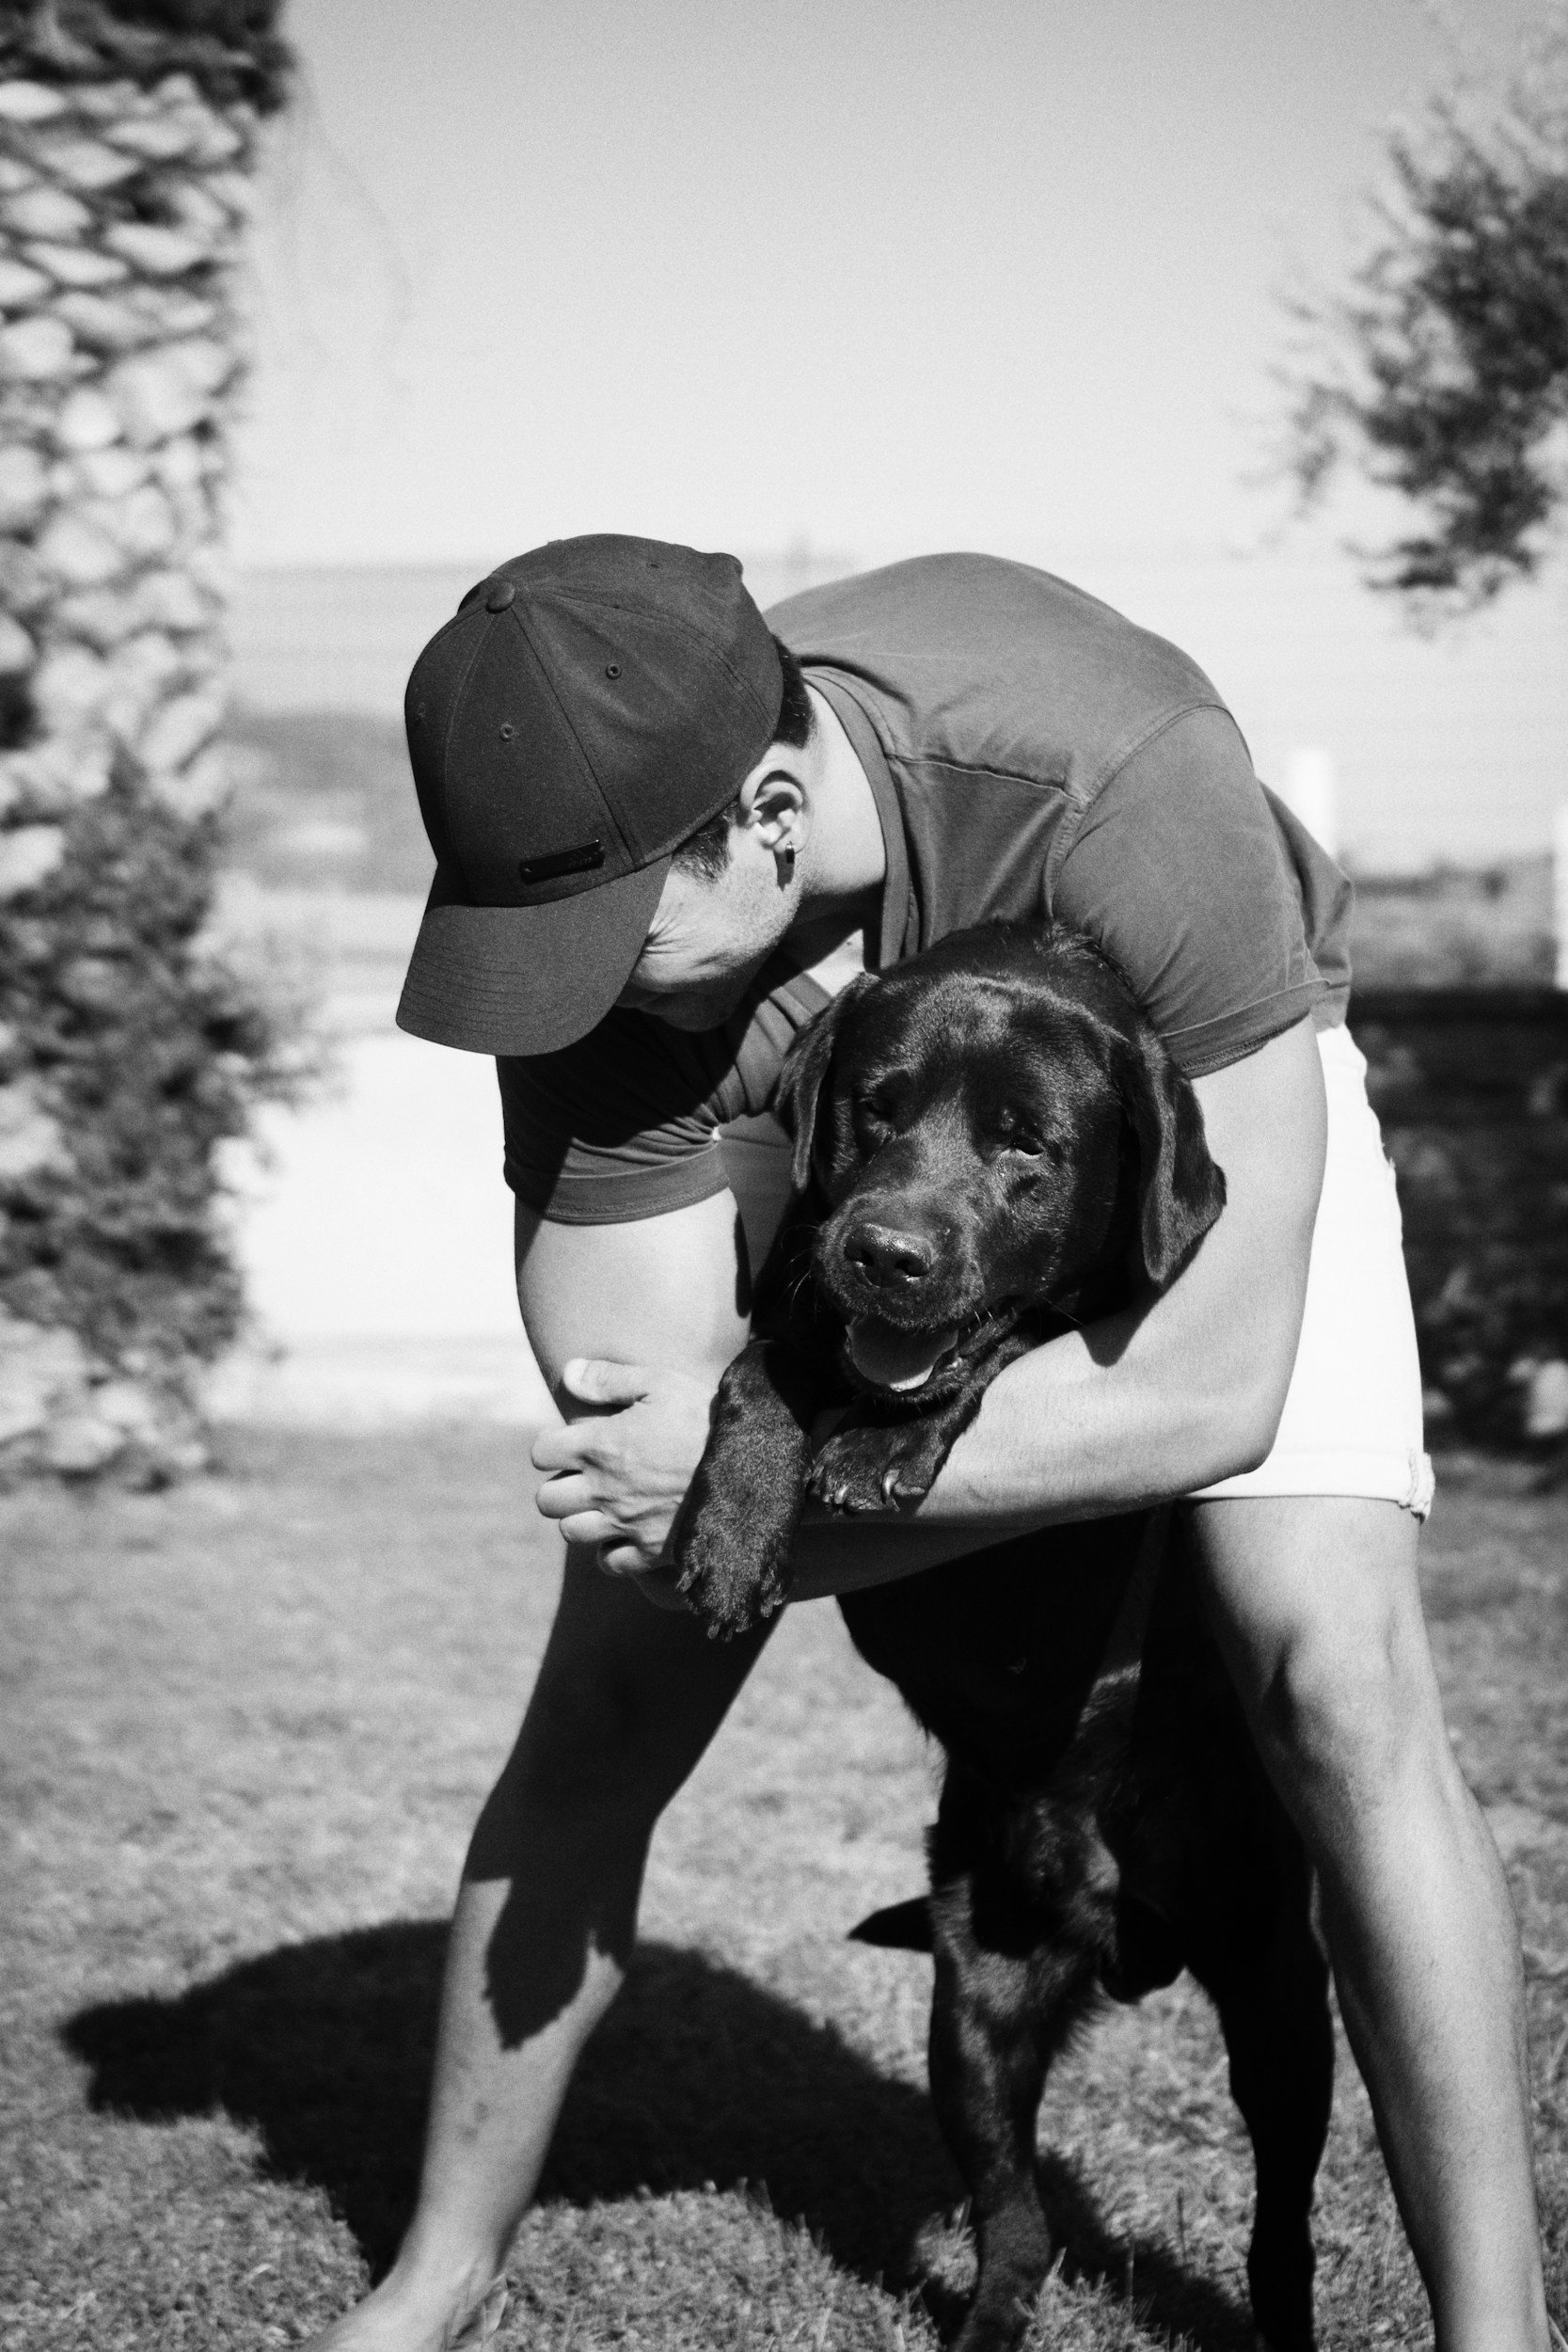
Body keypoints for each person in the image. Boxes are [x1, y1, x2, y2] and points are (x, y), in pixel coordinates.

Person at [314, 536, 1547, 2352]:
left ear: (770, 815)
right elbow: (641, 1447)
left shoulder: (1119, 781)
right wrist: (724, 1478)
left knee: (1332, 1680)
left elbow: (1211, 1395)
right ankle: (434, 2282)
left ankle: (1502, 2337)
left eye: (602, 946)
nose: (571, 998)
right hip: (832, 1117)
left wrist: (800, 1478)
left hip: (1202, 1081)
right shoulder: (598, 922)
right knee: (607, 1701)